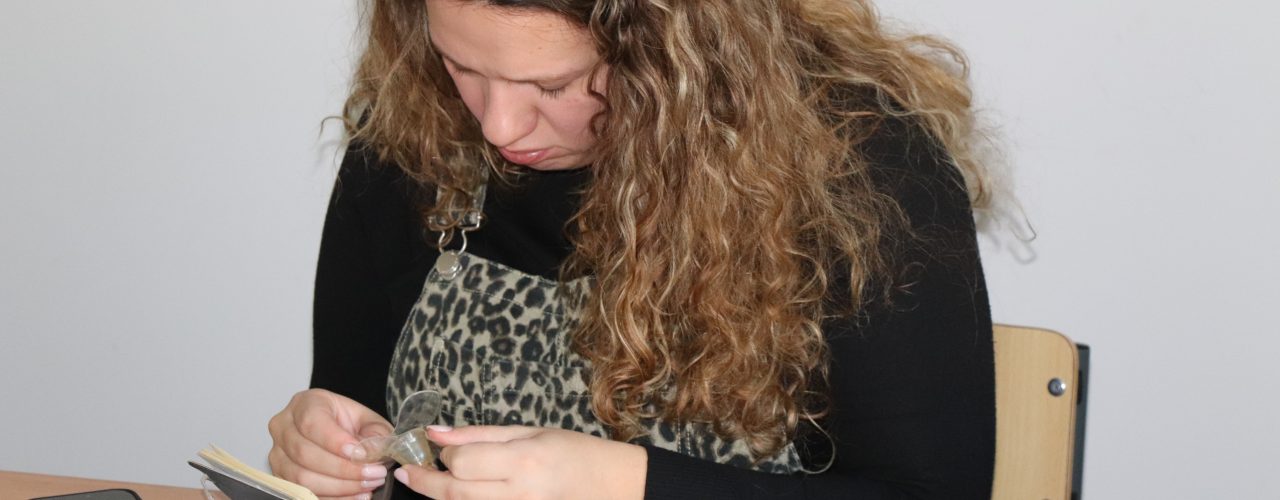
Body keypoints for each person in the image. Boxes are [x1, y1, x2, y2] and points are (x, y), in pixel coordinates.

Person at [268, 0, 996, 498]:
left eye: (552, 85)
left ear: (669, 55)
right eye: (462, 66)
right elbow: (362, 410)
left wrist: (630, 485)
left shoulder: (862, 175)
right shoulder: (413, 143)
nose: (498, 125)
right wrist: (330, 452)